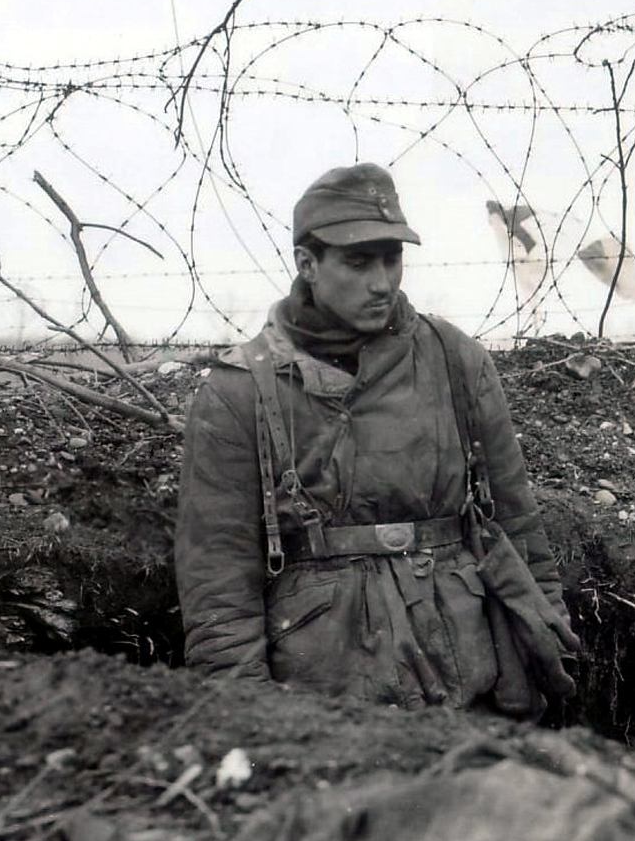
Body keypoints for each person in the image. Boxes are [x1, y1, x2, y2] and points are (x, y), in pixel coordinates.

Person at [175, 162, 579, 717]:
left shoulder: (456, 361)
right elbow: (218, 579)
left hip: (468, 687)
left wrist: (548, 646)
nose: (382, 282)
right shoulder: (240, 392)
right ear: (307, 264)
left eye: (393, 259)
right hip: (322, 704)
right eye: (359, 262)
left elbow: (517, 524)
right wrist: (251, 718)